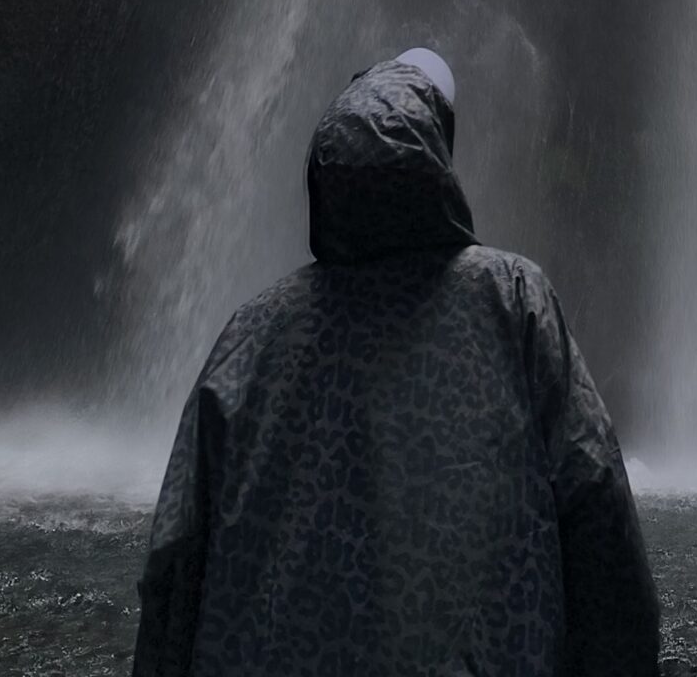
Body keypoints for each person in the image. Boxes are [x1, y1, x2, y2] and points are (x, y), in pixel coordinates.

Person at [132, 48, 658, 677]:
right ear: (438, 153)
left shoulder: (252, 331)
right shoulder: (511, 298)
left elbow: (175, 557)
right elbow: (597, 504)